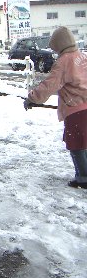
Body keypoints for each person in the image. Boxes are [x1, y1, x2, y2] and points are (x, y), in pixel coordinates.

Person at [24, 26, 87, 188]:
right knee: (84, 143)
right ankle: (82, 175)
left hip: (76, 110)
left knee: (77, 145)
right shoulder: (82, 57)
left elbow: (49, 85)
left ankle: (84, 178)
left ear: (59, 44)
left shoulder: (64, 62)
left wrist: (32, 98)